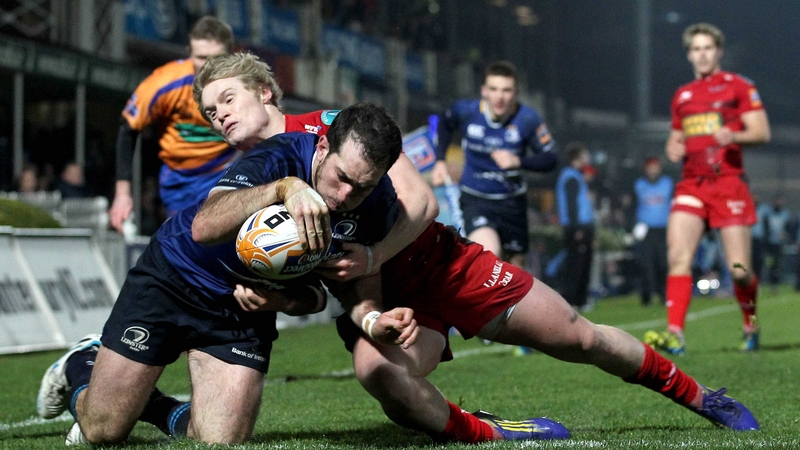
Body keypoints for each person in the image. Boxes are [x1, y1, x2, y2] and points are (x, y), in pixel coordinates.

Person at [197, 58, 754, 441]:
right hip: (387, 304)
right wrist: (285, 300)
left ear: (264, 91)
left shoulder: (334, 128)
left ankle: (699, 395)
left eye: (227, 98)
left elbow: (421, 203)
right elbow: (311, 284)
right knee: (380, 376)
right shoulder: (250, 183)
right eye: (209, 110)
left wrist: (373, 258)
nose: (218, 113)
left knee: (579, 337)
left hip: (444, 266)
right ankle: (492, 432)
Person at [36, 103, 427, 446]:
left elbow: (347, 290)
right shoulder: (277, 158)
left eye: (362, 187)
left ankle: (152, 405)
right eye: (341, 177)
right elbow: (204, 227)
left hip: (241, 312)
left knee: (220, 440)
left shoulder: (377, 204)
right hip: (176, 275)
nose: (345, 196)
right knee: (102, 430)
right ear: (323, 147)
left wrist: (374, 322)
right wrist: (282, 190)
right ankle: (80, 363)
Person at [644, 23, 771, 355]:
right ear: (689, 54)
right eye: (696, 49)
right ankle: (675, 333)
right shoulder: (682, 95)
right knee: (678, 257)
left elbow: (761, 131)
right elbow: (677, 137)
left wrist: (736, 136)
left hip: (728, 183)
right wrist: (673, 147)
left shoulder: (739, 86)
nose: (702, 54)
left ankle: (751, 325)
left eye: (707, 48)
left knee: (739, 272)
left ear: (719, 51)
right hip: (692, 184)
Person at [108, 16, 235, 233]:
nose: (209, 67)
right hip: (181, 180)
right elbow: (128, 128)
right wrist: (122, 195)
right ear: (189, 51)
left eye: (217, 58)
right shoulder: (164, 82)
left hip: (227, 168)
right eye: (201, 57)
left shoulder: (244, 82)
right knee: (187, 241)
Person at [430, 60, 557, 270]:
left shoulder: (528, 119)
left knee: (515, 268)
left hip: (512, 203)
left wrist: (518, 161)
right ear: (484, 91)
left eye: (506, 90)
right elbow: (443, 123)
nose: (499, 97)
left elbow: (551, 158)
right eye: (494, 89)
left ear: (516, 93)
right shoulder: (466, 111)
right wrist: (440, 160)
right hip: (476, 199)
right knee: (489, 255)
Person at [555, 142, 595, 310]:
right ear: (577, 158)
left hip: (581, 226)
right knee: (576, 265)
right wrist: (577, 228)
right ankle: (574, 300)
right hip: (577, 228)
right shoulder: (571, 177)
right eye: (585, 155)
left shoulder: (575, 176)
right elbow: (572, 206)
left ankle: (580, 299)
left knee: (581, 264)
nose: (588, 158)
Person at [633, 157, 673, 306]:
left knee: (663, 264)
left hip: (663, 229)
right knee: (646, 264)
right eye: (650, 168)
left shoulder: (668, 183)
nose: (652, 171)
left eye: (655, 167)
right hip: (646, 230)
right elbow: (632, 205)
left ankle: (664, 295)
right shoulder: (639, 185)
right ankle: (646, 297)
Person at [759, 196, 790, 293]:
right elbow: (765, 227)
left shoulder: (785, 214)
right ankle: (764, 282)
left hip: (779, 244)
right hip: (769, 244)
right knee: (767, 263)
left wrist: (784, 234)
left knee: (777, 265)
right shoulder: (769, 214)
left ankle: (774, 285)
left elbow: (787, 228)